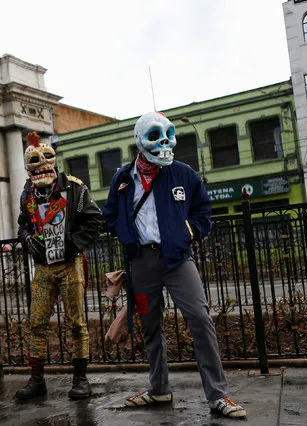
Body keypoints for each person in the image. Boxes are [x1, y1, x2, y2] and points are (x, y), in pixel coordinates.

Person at [102, 112, 247, 419]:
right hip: (142, 261)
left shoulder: (183, 174)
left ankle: (218, 394)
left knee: (199, 318)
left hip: (178, 259)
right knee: (150, 325)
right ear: (140, 140)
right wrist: (126, 235)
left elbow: (203, 212)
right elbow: (110, 214)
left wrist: (188, 233)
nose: (165, 142)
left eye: (169, 134)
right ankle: (158, 388)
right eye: (156, 135)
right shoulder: (124, 178)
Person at [14, 132, 103, 400]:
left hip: (70, 264)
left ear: (54, 162)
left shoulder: (74, 187)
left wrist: (71, 245)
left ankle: (80, 379)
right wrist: (29, 241)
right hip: (43, 267)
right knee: (37, 322)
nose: (41, 167)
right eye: (34, 163)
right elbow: (22, 225)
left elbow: (94, 220)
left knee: (76, 322)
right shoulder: (27, 192)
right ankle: (37, 380)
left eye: (46, 161)